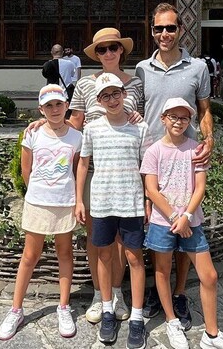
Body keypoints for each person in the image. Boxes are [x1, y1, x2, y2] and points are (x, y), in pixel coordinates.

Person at [29, 27, 144, 325]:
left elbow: (139, 122)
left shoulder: (135, 84)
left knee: (121, 240)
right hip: (95, 172)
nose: (108, 53)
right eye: (102, 49)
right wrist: (47, 120)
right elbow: (75, 121)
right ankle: (98, 294)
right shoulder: (84, 85)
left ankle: (117, 293)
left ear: (121, 50)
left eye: (113, 48)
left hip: (126, 172)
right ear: (96, 54)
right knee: (97, 237)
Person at [136, 3, 214, 329]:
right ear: (152, 31)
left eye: (170, 27)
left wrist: (209, 140)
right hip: (153, 160)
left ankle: (179, 292)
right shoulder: (142, 69)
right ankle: (160, 290)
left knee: (186, 226)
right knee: (157, 228)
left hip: (186, 159)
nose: (164, 34)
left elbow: (205, 109)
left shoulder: (197, 68)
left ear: (180, 29)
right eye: (159, 28)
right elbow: (134, 110)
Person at [141, 97, 223, 349]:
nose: (178, 122)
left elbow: (200, 188)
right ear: (163, 119)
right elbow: (151, 189)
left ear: (190, 121)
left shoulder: (196, 149)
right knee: (162, 270)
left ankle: (212, 334)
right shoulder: (154, 151)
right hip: (163, 221)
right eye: (173, 117)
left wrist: (186, 216)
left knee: (209, 275)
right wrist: (174, 217)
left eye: (184, 118)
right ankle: (171, 319)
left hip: (191, 221)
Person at [0, 85, 82, 341]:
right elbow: (26, 170)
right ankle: (16, 309)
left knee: (65, 253)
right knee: (29, 256)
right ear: (41, 109)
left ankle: (64, 306)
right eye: (49, 106)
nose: (54, 110)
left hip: (64, 202)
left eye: (58, 104)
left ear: (66, 106)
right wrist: (37, 192)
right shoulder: (32, 134)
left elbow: (75, 169)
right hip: (38, 202)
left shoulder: (76, 137)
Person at [75, 73, 149, 348]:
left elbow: (147, 167)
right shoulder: (92, 128)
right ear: (98, 101)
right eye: (105, 96)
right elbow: (84, 164)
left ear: (124, 94)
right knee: (104, 256)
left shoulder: (140, 128)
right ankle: (107, 309)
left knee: (134, 257)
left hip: (131, 202)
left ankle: (137, 317)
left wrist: (148, 200)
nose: (112, 99)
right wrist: (79, 200)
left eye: (116, 93)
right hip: (102, 202)